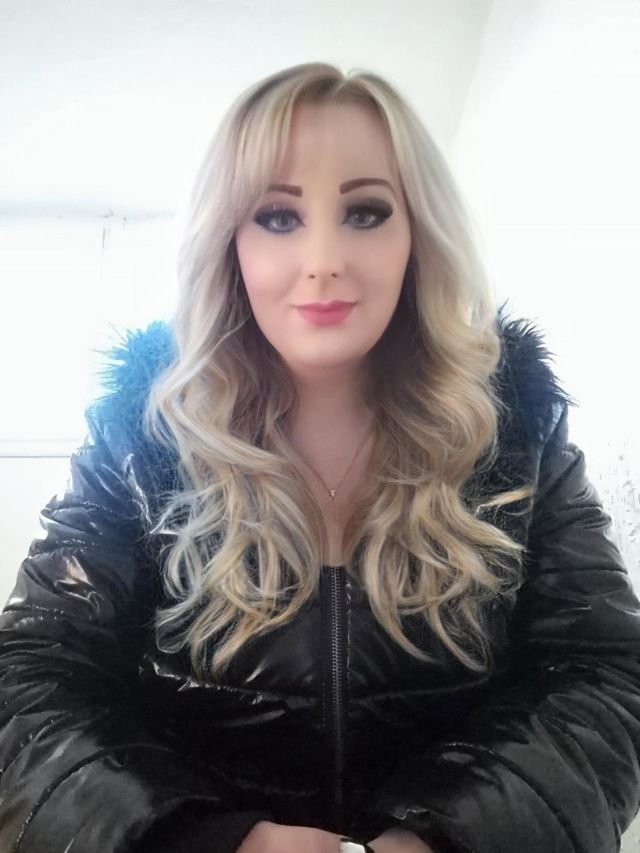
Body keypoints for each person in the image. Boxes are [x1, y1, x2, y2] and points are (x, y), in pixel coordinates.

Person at [1, 62, 639, 853]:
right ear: (228, 241)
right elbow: (31, 678)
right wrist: (205, 839)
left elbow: (606, 673)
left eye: (366, 212)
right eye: (277, 216)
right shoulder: (140, 435)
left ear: (418, 235)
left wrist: (451, 836)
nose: (324, 258)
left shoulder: (513, 427)